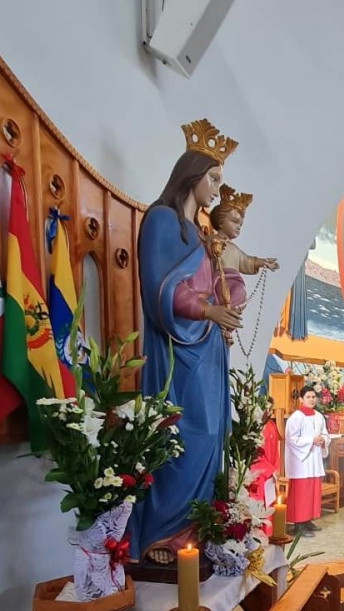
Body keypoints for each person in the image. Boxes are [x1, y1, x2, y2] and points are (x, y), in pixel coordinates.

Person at [129, 119, 243, 565]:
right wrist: (206, 310)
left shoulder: (199, 232)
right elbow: (159, 288)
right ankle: (164, 533)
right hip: (178, 350)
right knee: (184, 434)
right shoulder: (161, 220)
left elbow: (216, 281)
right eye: (213, 179)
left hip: (209, 347)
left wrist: (226, 302)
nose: (217, 190)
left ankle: (199, 528)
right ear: (191, 174)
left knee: (213, 431)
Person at [208, 184, 280, 306]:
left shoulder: (234, 249)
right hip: (220, 282)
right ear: (221, 221)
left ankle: (229, 316)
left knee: (239, 294)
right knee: (237, 293)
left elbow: (247, 261)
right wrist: (213, 249)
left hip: (235, 284)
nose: (238, 227)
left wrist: (264, 262)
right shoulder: (211, 239)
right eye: (234, 221)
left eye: (240, 224)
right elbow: (203, 256)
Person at [285, 385, 330, 536]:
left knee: (312, 491)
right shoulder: (296, 417)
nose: (311, 400)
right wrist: (312, 440)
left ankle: (307, 520)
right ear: (301, 399)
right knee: (301, 493)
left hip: (314, 460)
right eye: (308, 397)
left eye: (313, 397)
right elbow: (292, 439)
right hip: (301, 462)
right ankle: (299, 525)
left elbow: (325, 433)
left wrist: (323, 439)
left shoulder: (318, 416)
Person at [249, 397, 281, 537]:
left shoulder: (272, 425)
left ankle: (268, 533)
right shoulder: (254, 427)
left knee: (270, 504)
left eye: (269, 408)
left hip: (270, 473)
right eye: (264, 408)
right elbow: (254, 454)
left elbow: (276, 451)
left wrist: (276, 469)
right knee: (259, 505)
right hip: (259, 473)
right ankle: (259, 535)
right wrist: (270, 469)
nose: (266, 411)